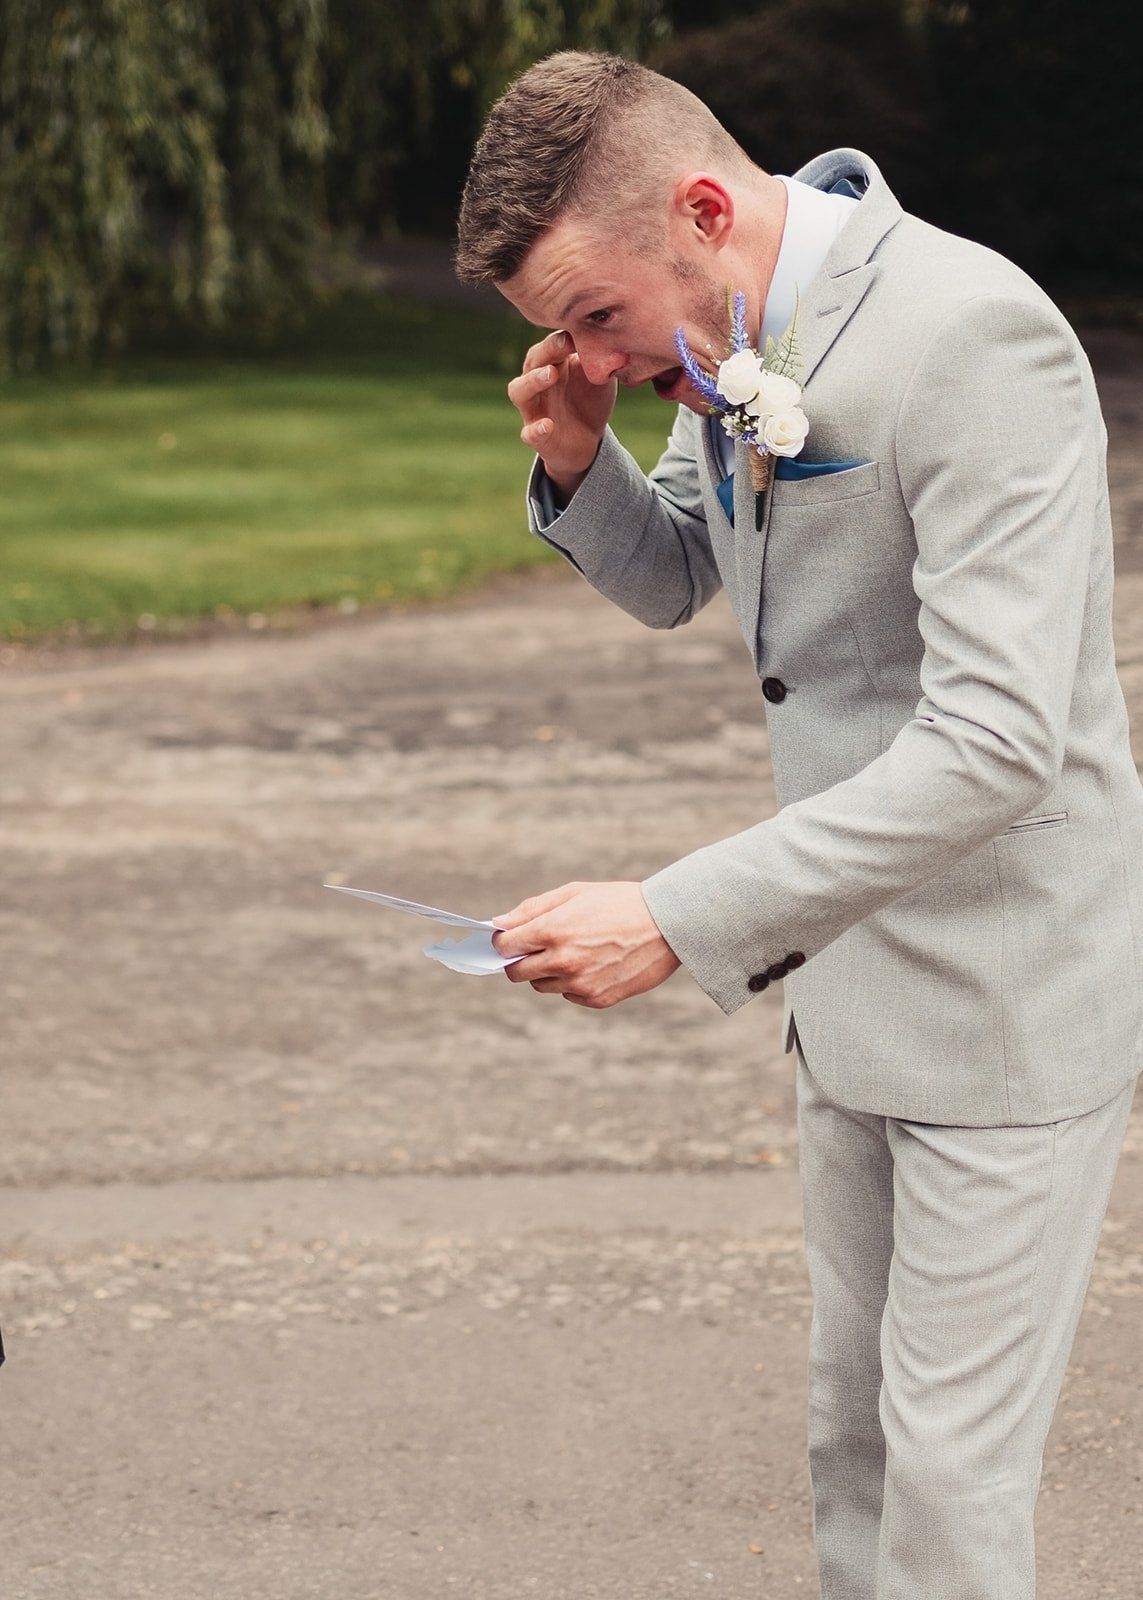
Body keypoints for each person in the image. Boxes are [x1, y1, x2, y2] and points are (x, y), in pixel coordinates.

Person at [453, 48, 1142, 1597]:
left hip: (1009, 999)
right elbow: (689, 574)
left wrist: (674, 912)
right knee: (857, 1441)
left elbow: (997, 741)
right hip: (847, 991)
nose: (591, 355)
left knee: (952, 1485)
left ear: (702, 207)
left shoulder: (972, 336)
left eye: (594, 318)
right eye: (564, 335)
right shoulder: (730, 331)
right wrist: (581, 459)